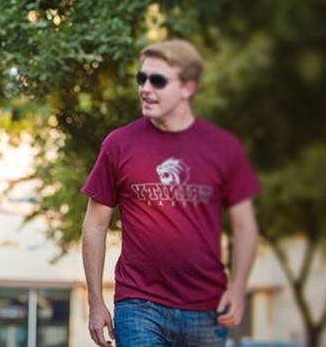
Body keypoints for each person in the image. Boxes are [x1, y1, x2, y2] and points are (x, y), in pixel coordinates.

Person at [81, 39, 260, 347]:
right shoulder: (119, 144)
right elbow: (94, 224)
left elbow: (245, 225)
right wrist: (95, 302)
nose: (145, 88)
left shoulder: (223, 147)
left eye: (158, 80)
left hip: (206, 309)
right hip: (139, 305)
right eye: (142, 78)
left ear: (187, 88)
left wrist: (239, 286)